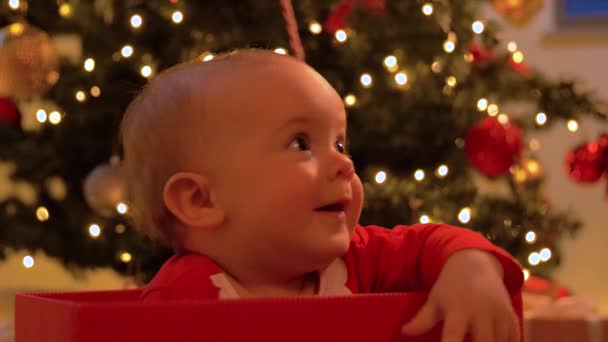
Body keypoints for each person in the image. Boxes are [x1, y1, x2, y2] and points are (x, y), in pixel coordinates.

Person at [120, 49, 523, 342]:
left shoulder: (358, 260)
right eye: (300, 143)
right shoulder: (176, 307)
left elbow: (429, 242)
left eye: (341, 144)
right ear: (200, 201)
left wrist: (472, 270)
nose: (344, 165)